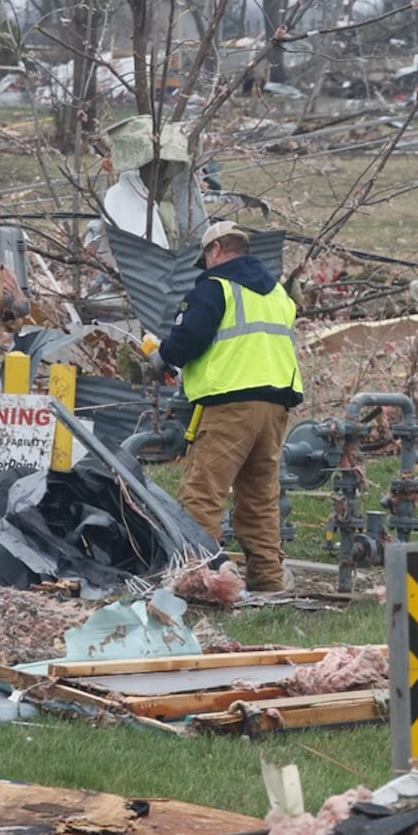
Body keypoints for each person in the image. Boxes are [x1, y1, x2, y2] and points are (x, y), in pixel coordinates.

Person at [151, 221, 303, 591]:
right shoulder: (278, 294)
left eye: (205, 258)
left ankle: (200, 582)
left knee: (202, 495)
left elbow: (189, 338)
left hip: (230, 404)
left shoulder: (215, 286)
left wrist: (162, 356)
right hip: (276, 406)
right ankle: (268, 580)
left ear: (216, 250)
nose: (205, 266)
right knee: (260, 499)